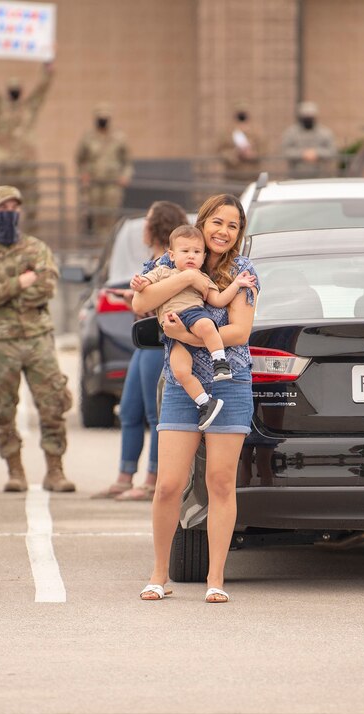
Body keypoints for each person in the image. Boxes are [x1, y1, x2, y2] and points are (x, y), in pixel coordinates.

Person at [131, 194, 260, 604]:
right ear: (202, 223)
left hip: (229, 382)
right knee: (168, 484)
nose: (223, 231)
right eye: (217, 222)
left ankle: (215, 578)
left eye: (233, 226)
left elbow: (239, 332)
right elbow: (140, 302)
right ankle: (159, 574)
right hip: (181, 385)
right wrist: (189, 278)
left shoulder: (242, 272)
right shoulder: (172, 260)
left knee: (219, 483)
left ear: (239, 233)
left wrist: (184, 335)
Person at [0, 185, 76, 493]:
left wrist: (2, 290)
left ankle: (55, 470)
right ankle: (15, 470)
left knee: (53, 403)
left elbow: (46, 287)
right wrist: (20, 282)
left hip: (38, 338)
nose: (9, 213)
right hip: (0, 342)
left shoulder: (37, 249)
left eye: (14, 208)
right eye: (2, 208)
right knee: (1, 407)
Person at [91, 201, 190, 502]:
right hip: (143, 341)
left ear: (157, 226)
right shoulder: (154, 260)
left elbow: (165, 301)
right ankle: (124, 477)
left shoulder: (170, 262)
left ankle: (152, 480)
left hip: (158, 343)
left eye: (148, 220)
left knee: (155, 414)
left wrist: (138, 298)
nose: (144, 227)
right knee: (129, 409)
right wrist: (133, 297)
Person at [132, 225, 255, 429]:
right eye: (185, 251)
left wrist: (236, 284)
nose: (191, 256)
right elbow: (144, 285)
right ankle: (205, 403)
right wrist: (138, 283)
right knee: (180, 371)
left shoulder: (202, 277)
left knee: (207, 326)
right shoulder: (162, 271)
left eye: (197, 252)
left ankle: (220, 362)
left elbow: (218, 300)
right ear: (171, 255)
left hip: (193, 314)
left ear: (203, 257)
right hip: (173, 327)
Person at [0, 58, 54, 232]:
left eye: (17, 88)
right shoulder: (0, 107)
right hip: (6, 167)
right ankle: (3, 238)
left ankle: (30, 241)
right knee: (2, 206)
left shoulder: (29, 108)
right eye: (11, 88)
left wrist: (48, 69)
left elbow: (42, 90)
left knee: (32, 206)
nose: (14, 91)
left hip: (26, 166)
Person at [76, 102, 133, 240]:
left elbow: (127, 161)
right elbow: (80, 159)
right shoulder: (88, 137)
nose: (102, 120)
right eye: (100, 117)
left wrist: (125, 175)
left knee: (110, 214)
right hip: (94, 183)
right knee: (96, 215)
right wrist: (83, 174)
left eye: (105, 117)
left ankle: (109, 245)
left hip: (112, 183)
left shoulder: (119, 137)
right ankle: (97, 245)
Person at [280, 100, 336, 178]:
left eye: (310, 117)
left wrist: (317, 153)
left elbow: (332, 151)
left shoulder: (325, 133)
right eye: (306, 117)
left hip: (320, 176)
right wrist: (302, 154)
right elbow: (285, 151)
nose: (308, 119)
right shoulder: (291, 133)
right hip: (297, 176)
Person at [216, 102, 264, 184]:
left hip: (252, 175)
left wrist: (253, 154)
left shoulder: (256, 131)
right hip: (234, 175)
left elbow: (263, 149)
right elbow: (221, 151)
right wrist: (234, 154)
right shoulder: (227, 132)